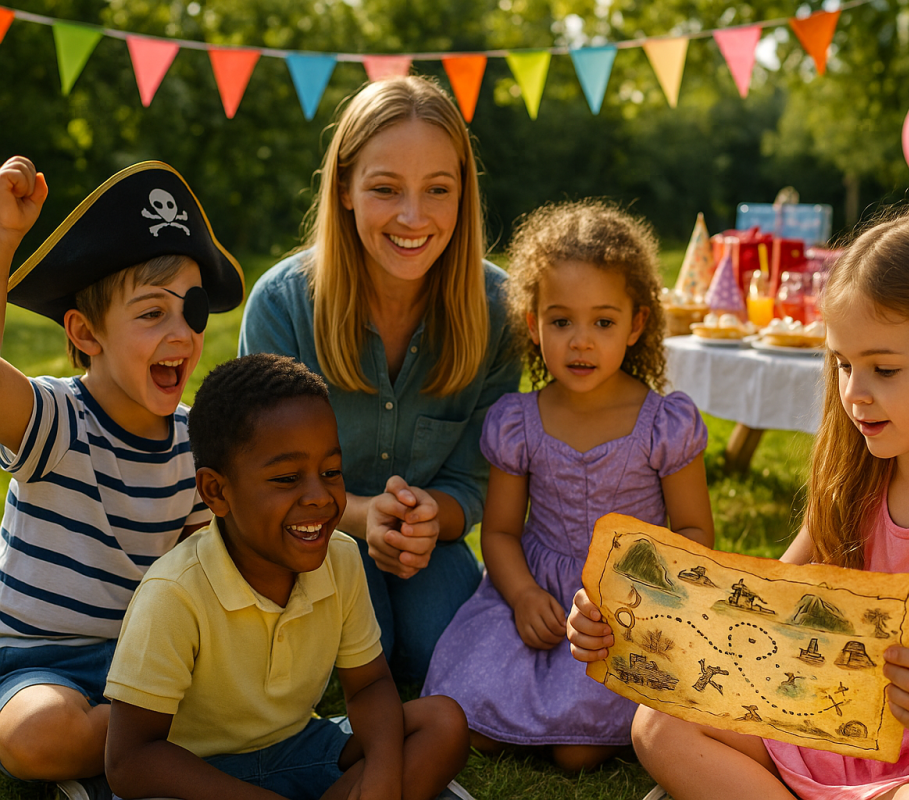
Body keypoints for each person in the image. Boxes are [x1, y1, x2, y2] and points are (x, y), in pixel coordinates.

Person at [568, 203, 909, 800]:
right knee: (657, 724)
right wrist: (626, 619)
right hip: (832, 739)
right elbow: (748, 617)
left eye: (885, 370)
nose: (854, 393)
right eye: (843, 364)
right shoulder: (855, 483)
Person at [239, 75, 521, 685]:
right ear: (344, 187)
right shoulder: (283, 306)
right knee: (357, 654)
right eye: (385, 189)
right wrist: (367, 517)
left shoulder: (499, 308)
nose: (413, 217)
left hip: (429, 544)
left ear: (463, 193)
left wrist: (426, 518)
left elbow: (474, 484)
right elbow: (262, 481)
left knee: (442, 657)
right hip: (307, 536)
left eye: (437, 190)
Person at [422, 200, 715, 772]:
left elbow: (695, 529)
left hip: (632, 604)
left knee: (578, 752)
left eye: (603, 322)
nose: (581, 341)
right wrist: (525, 595)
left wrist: (648, 601)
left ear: (636, 324)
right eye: (561, 321)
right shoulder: (518, 420)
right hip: (541, 590)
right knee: (461, 718)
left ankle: (594, 725)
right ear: (533, 324)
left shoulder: (664, 423)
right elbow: (502, 531)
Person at [104, 353, 471, 800]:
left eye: (331, 472)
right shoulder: (173, 594)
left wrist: (382, 772)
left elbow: (371, 683)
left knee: (442, 722)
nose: (319, 496)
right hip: (198, 776)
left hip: (299, 749)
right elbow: (129, 760)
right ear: (217, 491)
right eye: (286, 478)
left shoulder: (341, 557)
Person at [0, 156, 243, 799]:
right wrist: (2, 241)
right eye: (150, 314)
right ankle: (165, 742)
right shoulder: (57, 418)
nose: (182, 334)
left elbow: (201, 574)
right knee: (35, 739)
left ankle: (154, 740)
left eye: (191, 311)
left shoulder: (197, 442)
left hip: (139, 668)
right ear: (86, 333)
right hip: (36, 666)